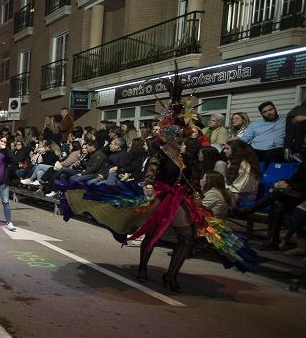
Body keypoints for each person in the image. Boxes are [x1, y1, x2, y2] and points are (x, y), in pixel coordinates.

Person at [59, 89, 254, 293]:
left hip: (180, 198)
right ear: (168, 137)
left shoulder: (186, 156)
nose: (180, 139)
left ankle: (171, 275)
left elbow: (193, 178)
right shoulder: (159, 155)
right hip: (161, 197)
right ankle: (143, 267)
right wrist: (150, 187)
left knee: (187, 238)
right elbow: (151, 174)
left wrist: (196, 193)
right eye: (177, 136)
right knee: (153, 233)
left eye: (182, 135)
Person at [223, 139, 262, 204]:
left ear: (236, 150)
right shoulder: (233, 162)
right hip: (234, 193)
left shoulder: (245, 165)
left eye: (227, 149)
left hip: (243, 196)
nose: (224, 151)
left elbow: (240, 188)